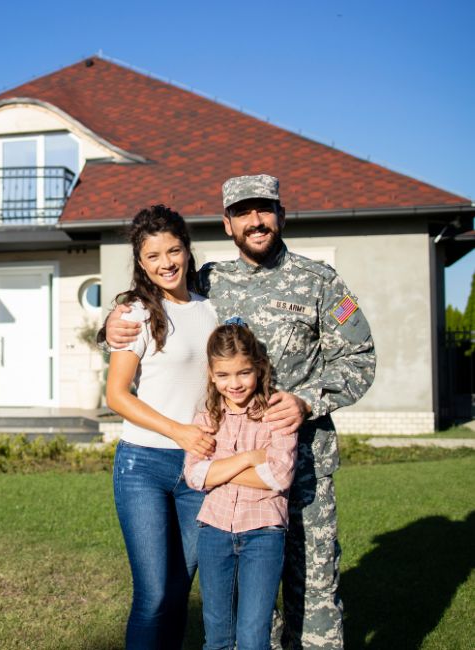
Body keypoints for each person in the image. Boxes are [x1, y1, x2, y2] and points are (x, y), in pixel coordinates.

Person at [106, 174, 376, 649]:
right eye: (244, 213)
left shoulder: (320, 282)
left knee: (312, 586)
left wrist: (307, 399)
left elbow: (360, 358)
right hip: (233, 464)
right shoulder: (212, 282)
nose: (256, 221)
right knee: (242, 593)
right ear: (227, 224)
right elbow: (153, 300)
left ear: (282, 216)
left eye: (265, 209)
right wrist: (108, 324)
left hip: (305, 466)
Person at [105, 204, 219, 648]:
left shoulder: (212, 309)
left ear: (188, 252)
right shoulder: (134, 313)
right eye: (153, 256)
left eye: (173, 251)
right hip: (142, 467)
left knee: (178, 591)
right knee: (152, 594)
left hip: (197, 468)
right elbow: (116, 396)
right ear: (141, 263)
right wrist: (178, 431)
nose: (166, 263)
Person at [184, 321, 298, 650]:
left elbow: (279, 477)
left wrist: (216, 470)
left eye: (243, 373)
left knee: (252, 636)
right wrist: (249, 459)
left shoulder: (276, 413)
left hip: (263, 533)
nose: (234, 384)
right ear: (211, 373)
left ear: (258, 368)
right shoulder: (206, 415)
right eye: (223, 375)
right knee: (217, 635)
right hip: (214, 532)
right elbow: (194, 476)